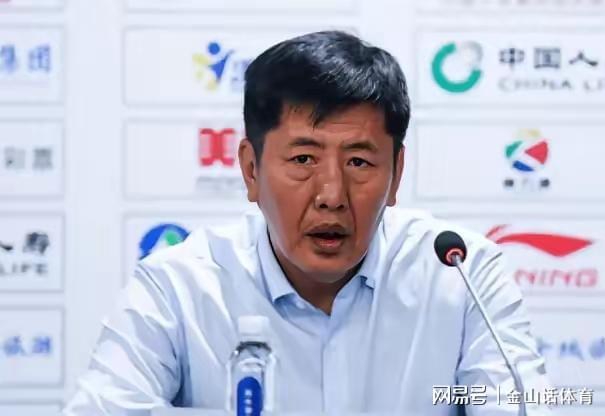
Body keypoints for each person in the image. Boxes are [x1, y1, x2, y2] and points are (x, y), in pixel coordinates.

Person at [64, 31, 551, 415]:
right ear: (251, 170)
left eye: (359, 162)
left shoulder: (461, 274)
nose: (331, 196)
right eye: (303, 159)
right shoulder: (180, 287)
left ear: (396, 174)